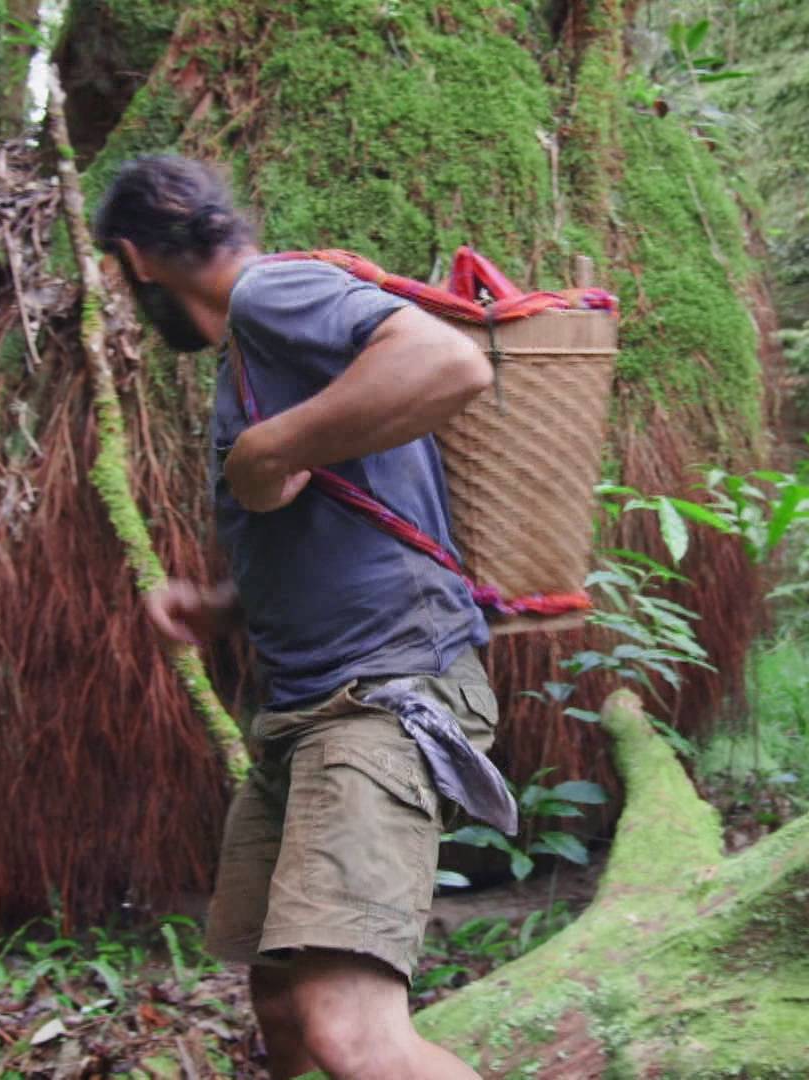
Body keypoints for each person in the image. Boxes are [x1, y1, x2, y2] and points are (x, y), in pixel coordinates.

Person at [92, 154, 505, 1080]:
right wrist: (222, 607)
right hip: (307, 712)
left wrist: (265, 448)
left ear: (136, 258)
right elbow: (339, 527)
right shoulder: (260, 350)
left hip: (382, 699)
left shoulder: (271, 294)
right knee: (282, 1003)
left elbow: (451, 361)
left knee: (349, 1033)